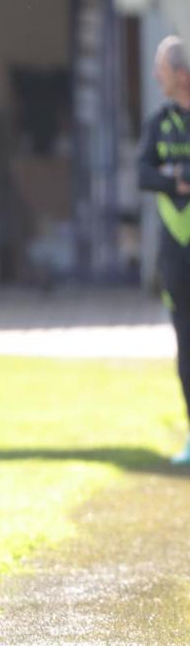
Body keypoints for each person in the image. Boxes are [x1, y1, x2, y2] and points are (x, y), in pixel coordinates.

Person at [138, 35, 190, 466]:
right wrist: (176, 182)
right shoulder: (159, 121)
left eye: (162, 67)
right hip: (176, 254)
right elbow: (143, 171)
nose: (157, 75)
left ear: (182, 75)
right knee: (186, 343)